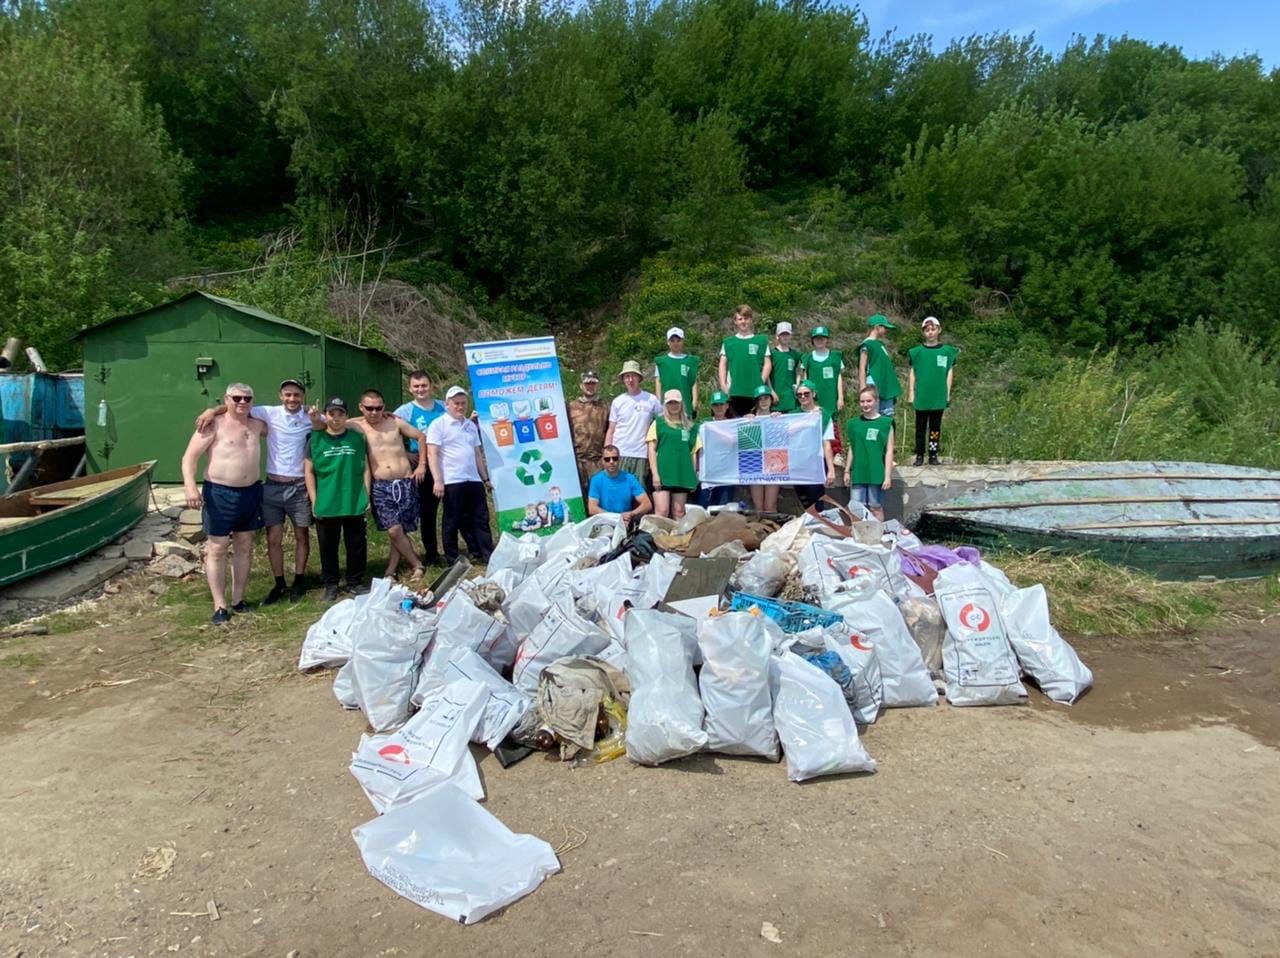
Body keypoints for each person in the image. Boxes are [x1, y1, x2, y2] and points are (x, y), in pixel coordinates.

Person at [195, 378, 313, 605]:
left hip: (298, 486)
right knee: (273, 537)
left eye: (296, 395)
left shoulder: (310, 416)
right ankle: (279, 583)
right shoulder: (267, 413)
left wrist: (376, 417)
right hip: (272, 486)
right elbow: (235, 407)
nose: (292, 399)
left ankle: (299, 580)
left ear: (303, 396)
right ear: (281, 395)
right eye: (287, 394)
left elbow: (339, 422)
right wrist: (212, 410)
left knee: (301, 534)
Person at [181, 383, 267, 624]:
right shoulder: (213, 424)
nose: (242, 402)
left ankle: (239, 599)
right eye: (236, 398)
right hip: (219, 492)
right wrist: (190, 486)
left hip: (250, 492)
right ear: (227, 399)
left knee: (244, 545)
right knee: (217, 548)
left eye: (247, 398)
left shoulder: (258, 423)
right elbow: (189, 457)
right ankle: (219, 605)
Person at [326, 389, 426, 583]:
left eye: (378, 408)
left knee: (400, 530)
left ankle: (391, 570)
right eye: (369, 408)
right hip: (380, 484)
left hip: (404, 481)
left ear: (384, 406)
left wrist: (421, 465)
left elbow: (421, 437)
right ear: (361, 408)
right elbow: (332, 420)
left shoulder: (394, 422)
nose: (374, 412)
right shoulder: (357, 426)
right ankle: (416, 563)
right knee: (393, 529)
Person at [304, 396, 371, 601]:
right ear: (326, 415)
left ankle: (354, 581)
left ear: (346, 416)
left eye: (340, 413)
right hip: (327, 500)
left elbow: (366, 468)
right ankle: (331, 584)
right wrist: (314, 501)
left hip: (353, 499)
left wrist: (366, 494)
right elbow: (309, 472)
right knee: (328, 546)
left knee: (356, 545)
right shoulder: (315, 439)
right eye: (332, 413)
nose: (336, 418)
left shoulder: (357, 438)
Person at [426, 385, 495, 564]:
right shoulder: (438, 425)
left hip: (473, 479)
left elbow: (477, 453)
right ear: (447, 404)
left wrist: (485, 478)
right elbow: (432, 453)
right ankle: (452, 558)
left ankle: (486, 554)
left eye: (463, 403)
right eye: (456, 403)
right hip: (452, 480)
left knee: (481, 518)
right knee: (452, 521)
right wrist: (438, 480)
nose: (460, 407)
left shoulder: (470, 425)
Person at [393, 370, 447, 563]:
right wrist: (405, 453)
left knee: (452, 509)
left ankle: (452, 549)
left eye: (424, 385)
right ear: (410, 389)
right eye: (416, 386)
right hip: (422, 463)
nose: (420, 389)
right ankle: (432, 554)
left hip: (446, 461)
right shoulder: (405, 411)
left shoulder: (443, 406)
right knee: (428, 512)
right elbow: (392, 432)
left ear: (431, 386)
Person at [907, 316, 958, 466]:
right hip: (922, 395)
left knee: (935, 428)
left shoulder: (947, 351)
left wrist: (947, 392)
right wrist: (911, 392)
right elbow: (913, 372)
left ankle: (933, 453)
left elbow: (949, 372)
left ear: (939, 330)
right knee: (920, 427)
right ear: (923, 332)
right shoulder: (916, 352)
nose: (930, 332)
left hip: (938, 395)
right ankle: (919, 454)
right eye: (927, 330)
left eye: (933, 329)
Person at [605, 360, 662, 486]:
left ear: (639, 378)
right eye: (627, 376)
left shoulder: (651, 399)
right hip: (620, 454)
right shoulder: (617, 401)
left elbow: (662, 422)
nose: (630, 380)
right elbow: (611, 429)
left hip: (641, 454)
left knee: (639, 492)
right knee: (619, 492)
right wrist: (607, 453)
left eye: (633, 376)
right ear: (623, 379)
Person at [843, 385, 895, 521]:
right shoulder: (854, 424)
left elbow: (889, 451)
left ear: (876, 401)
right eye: (862, 401)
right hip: (859, 472)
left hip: (876, 472)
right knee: (856, 509)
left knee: (875, 507)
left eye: (869, 401)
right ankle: (859, 537)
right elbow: (852, 448)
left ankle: (877, 536)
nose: (865, 404)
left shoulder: (886, 423)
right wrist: (847, 471)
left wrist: (887, 476)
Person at [647, 389, 699, 520]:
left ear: (681, 404)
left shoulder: (690, 427)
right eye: (670, 403)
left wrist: (693, 475)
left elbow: (693, 452)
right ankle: (658, 539)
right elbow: (651, 448)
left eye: (676, 402)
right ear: (665, 404)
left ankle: (678, 540)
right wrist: (655, 474)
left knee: (679, 512)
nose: (673, 406)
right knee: (662, 511)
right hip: (663, 473)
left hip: (682, 474)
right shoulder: (658, 423)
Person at [718, 304, 772, 417]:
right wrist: (723, 384)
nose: (743, 322)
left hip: (756, 393)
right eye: (740, 319)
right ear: (735, 321)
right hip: (735, 391)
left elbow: (767, 363)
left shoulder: (761, 340)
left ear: (751, 320)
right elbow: (723, 364)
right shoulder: (728, 342)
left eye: (746, 318)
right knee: (739, 427)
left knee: (757, 426)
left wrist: (760, 380)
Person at [792, 379, 836, 512]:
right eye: (799, 395)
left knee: (817, 499)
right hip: (799, 463)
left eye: (806, 393)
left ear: (814, 394)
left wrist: (831, 469)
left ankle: (820, 527)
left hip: (816, 462)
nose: (803, 397)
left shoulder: (824, 415)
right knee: (804, 500)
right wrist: (774, 417)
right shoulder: (793, 415)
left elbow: (827, 443)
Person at [587, 444, 652, 525]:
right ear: (602, 461)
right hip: (605, 522)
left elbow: (647, 504)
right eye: (607, 459)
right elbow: (592, 508)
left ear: (619, 459)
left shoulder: (630, 479)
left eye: (615, 458)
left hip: (625, 522)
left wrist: (631, 514)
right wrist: (616, 518)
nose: (611, 462)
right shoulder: (596, 480)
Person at [568, 370, 609, 491]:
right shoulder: (571, 406)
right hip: (577, 461)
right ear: (581, 385)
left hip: (598, 461)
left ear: (597, 385)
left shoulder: (605, 406)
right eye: (587, 384)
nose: (590, 386)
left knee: (599, 495)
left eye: (593, 383)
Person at [695, 391, 737, 508]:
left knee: (722, 509)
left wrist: (750, 418)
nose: (719, 407)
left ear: (727, 406)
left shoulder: (734, 424)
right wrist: (697, 468)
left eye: (721, 404)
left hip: (727, 474)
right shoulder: (703, 423)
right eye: (715, 405)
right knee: (703, 508)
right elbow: (697, 447)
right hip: (708, 473)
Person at [745, 384, 781, 513]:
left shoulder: (778, 418)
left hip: (773, 463)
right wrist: (745, 424)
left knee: (770, 506)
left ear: (771, 400)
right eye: (760, 399)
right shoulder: (749, 420)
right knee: (758, 507)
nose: (764, 401)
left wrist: (780, 421)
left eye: (766, 398)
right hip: (755, 463)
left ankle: (775, 531)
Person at [858, 314, 901, 417]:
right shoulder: (867, 344)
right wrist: (863, 387)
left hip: (885, 385)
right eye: (884, 327)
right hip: (874, 383)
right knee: (874, 416)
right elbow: (862, 367)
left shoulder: (880, 344)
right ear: (877, 327)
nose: (886, 330)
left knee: (886, 417)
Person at [654, 327, 700, 417]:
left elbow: (693, 382)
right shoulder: (661, 362)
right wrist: (659, 401)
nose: (675, 343)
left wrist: (694, 400)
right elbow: (658, 382)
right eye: (672, 341)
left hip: (685, 402)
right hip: (667, 403)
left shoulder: (690, 361)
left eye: (678, 340)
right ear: (668, 342)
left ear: (683, 341)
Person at [769, 321, 800, 413]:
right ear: (777, 336)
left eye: (787, 334)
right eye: (782, 334)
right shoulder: (772, 354)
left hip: (791, 398)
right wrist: (771, 391)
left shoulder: (795, 354)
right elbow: (766, 375)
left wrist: (798, 384)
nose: (785, 337)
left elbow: (801, 369)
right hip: (776, 398)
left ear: (791, 336)